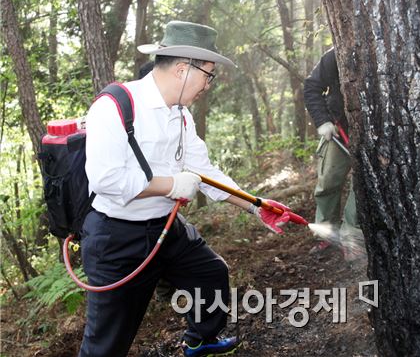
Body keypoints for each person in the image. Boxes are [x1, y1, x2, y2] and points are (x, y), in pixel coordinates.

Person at [80, 21, 298, 357]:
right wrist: (170, 185)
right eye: (208, 75)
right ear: (183, 69)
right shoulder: (115, 106)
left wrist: (255, 205)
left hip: (167, 228)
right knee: (107, 342)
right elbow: (106, 181)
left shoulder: (181, 115)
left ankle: (201, 339)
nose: (209, 85)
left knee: (210, 273)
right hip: (116, 239)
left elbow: (204, 171)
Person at [303, 47, 365, 262]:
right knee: (328, 181)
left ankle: (352, 239)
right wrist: (323, 121)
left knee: (362, 187)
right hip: (339, 129)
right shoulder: (335, 54)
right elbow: (311, 87)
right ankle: (326, 234)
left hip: (373, 134)